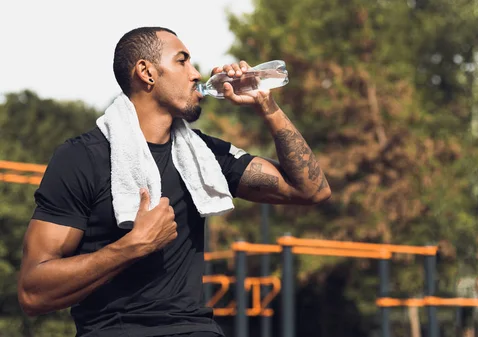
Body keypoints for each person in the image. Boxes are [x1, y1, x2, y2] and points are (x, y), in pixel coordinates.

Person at [17, 26, 331, 337]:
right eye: (182, 61)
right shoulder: (82, 157)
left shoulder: (204, 157)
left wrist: (268, 106)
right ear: (146, 72)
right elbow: (33, 293)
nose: (196, 74)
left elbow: (311, 189)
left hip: (197, 329)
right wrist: (131, 247)